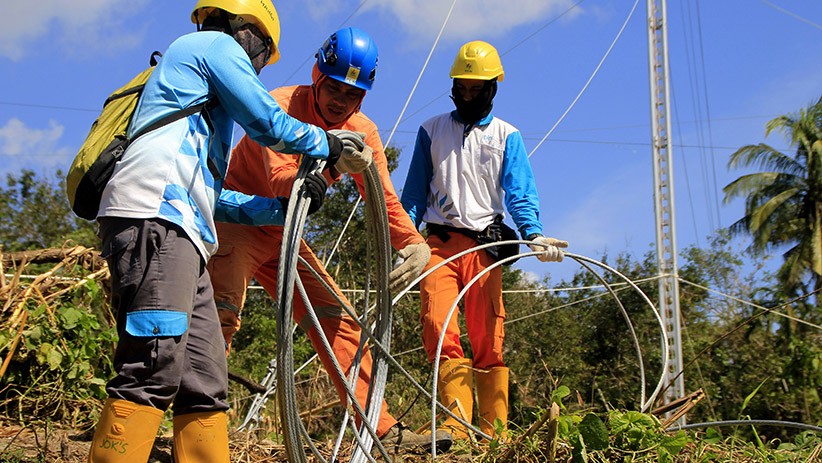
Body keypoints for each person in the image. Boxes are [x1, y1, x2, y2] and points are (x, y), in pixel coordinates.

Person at [86, 1, 359, 461]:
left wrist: (283, 207)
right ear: (245, 27)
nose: (256, 67)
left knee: (204, 379)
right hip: (155, 219)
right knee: (153, 364)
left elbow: (216, 200)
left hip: (185, 231)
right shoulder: (211, 45)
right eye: (261, 54)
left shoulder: (198, 106)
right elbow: (269, 123)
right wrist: (330, 144)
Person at [205, 27, 452, 453]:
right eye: (334, 88)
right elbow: (282, 178)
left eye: (352, 95)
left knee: (339, 321)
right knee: (218, 315)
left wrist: (414, 243)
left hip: (286, 236)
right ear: (317, 77)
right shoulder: (281, 105)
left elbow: (384, 200)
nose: (340, 101)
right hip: (238, 226)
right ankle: (196, 421)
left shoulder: (363, 131)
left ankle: (382, 432)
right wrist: (326, 155)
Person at [400, 40, 569, 441]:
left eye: (476, 89)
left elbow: (519, 191)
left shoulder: (507, 136)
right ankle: (454, 431)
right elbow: (411, 194)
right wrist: (405, 240)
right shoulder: (431, 130)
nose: (467, 95)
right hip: (439, 244)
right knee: (439, 328)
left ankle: (496, 438)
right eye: (462, 87)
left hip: (484, 248)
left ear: (492, 89)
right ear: (454, 86)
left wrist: (534, 234)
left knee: (489, 337)